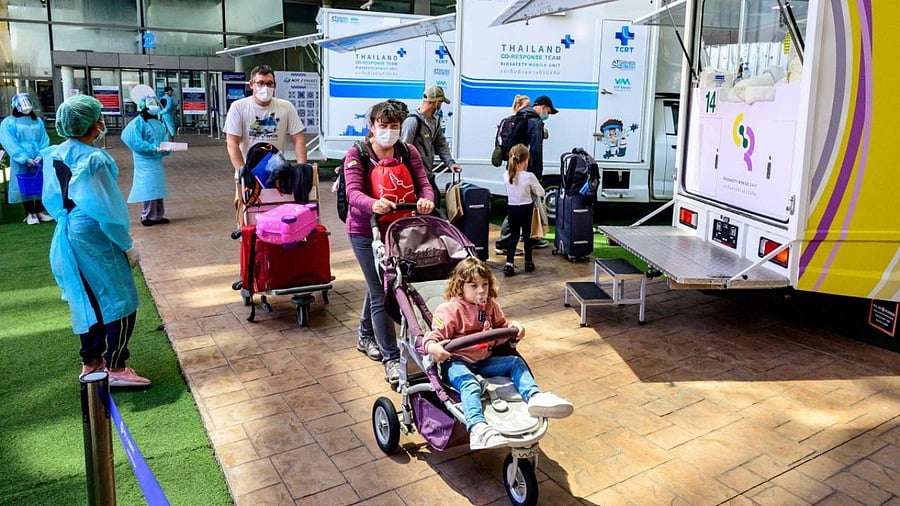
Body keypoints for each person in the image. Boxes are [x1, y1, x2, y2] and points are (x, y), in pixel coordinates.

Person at [40, 94, 150, 387]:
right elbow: (108, 211)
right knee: (121, 298)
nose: (102, 122)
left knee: (86, 296)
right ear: (90, 125)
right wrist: (127, 245)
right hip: (93, 231)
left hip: (69, 228)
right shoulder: (94, 160)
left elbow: (51, 198)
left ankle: (91, 361)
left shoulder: (55, 153)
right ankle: (116, 367)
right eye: (98, 117)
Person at [421, 258, 573, 449]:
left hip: (485, 360)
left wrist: (515, 328)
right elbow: (432, 337)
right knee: (470, 384)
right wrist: (432, 347)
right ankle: (477, 427)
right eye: (474, 285)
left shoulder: (490, 306)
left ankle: (534, 397)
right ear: (460, 287)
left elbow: (502, 327)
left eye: (485, 284)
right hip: (457, 363)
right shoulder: (449, 310)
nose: (481, 290)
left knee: (515, 363)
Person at [344, 100, 434, 384]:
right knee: (382, 292)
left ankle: (365, 336)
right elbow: (353, 194)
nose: (389, 131)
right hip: (365, 230)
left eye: (394, 126)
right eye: (383, 126)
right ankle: (391, 357)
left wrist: (427, 201)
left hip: (399, 228)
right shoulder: (356, 154)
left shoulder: (408, 151)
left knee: (378, 285)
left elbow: (424, 183)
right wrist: (374, 204)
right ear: (371, 126)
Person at [225, 65, 308, 222]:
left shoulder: (285, 107)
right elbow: (232, 143)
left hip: (276, 175)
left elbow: (299, 138)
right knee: (248, 221)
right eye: (261, 83)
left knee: (278, 219)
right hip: (247, 177)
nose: (266, 87)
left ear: (275, 85)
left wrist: (301, 167)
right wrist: (242, 170)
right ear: (251, 84)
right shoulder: (239, 107)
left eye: (270, 83)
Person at [494, 95, 558, 256]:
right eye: (548, 112)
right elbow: (536, 150)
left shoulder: (517, 117)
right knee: (520, 206)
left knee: (520, 204)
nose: (547, 115)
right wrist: (538, 173)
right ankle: (503, 242)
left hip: (512, 168)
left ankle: (532, 237)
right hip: (526, 169)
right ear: (542, 107)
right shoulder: (535, 121)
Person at [399, 85, 461, 207]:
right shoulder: (412, 121)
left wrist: (450, 163)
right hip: (413, 177)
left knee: (434, 204)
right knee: (427, 207)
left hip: (427, 175)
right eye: (441, 102)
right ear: (437, 102)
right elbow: (403, 150)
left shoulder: (435, 121)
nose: (441, 105)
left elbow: (441, 144)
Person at [0, 92, 52, 225]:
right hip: (21, 160)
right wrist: (23, 158)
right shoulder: (9, 122)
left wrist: (41, 154)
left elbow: (43, 139)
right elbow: (9, 142)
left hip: (38, 158)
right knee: (24, 185)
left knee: (39, 183)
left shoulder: (37, 120)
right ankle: (30, 212)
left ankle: (40, 210)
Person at [122, 91, 172, 226]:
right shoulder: (137, 123)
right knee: (148, 187)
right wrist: (152, 148)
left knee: (158, 188)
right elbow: (134, 141)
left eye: (156, 104)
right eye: (152, 104)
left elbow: (163, 139)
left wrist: (166, 149)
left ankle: (158, 215)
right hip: (144, 160)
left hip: (156, 160)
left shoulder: (159, 123)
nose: (155, 106)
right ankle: (147, 216)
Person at [503, 144, 544, 277]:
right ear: (526, 160)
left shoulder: (506, 175)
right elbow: (541, 192)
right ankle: (528, 262)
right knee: (527, 236)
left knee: (513, 236)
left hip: (512, 208)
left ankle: (509, 264)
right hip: (526, 209)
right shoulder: (529, 176)